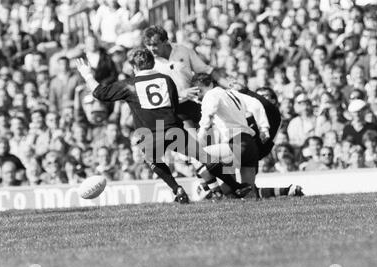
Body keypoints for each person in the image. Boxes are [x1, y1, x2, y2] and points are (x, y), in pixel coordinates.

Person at [75, 48, 252, 203]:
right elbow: (174, 104)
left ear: (134, 67)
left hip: (149, 133)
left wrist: (87, 74)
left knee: (154, 161)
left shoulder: (129, 84)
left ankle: (178, 190)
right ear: (152, 63)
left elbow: (99, 93)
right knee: (203, 156)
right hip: (172, 127)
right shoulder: (166, 79)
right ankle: (236, 186)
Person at [192, 73, 303, 198]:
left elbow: (208, 114)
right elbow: (256, 104)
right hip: (249, 146)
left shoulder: (210, 94)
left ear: (204, 86)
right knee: (248, 193)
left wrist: (200, 138)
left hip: (236, 143)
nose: (197, 94)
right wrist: (264, 128)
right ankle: (286, 191)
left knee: (194, 155)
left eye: (197, 90)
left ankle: (215, 192)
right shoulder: (233, 93)